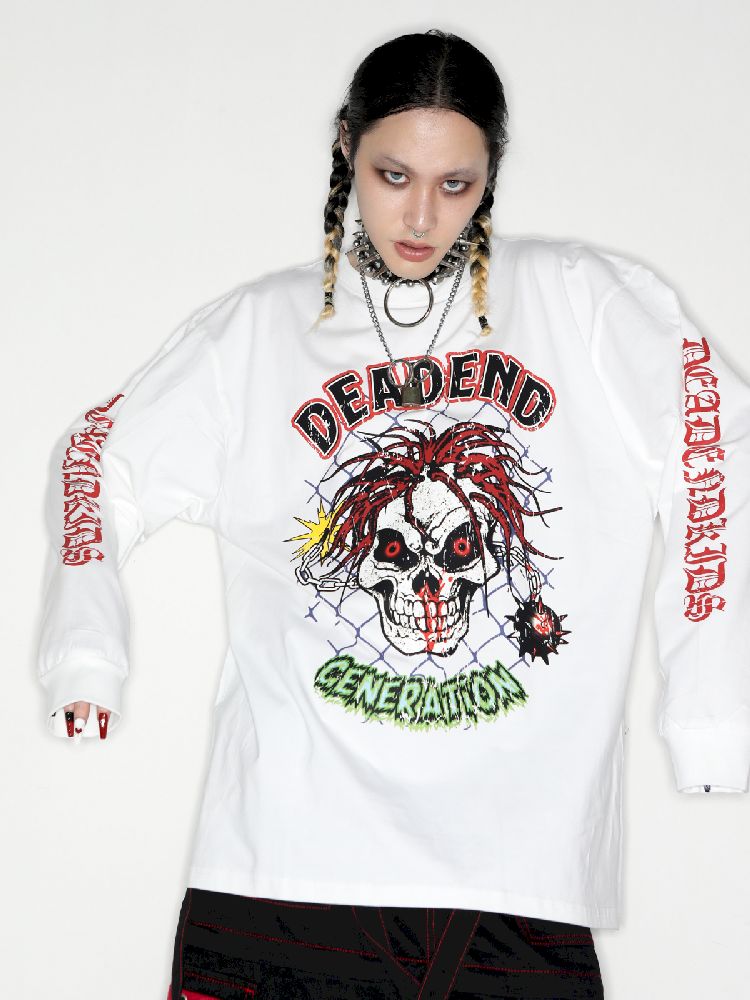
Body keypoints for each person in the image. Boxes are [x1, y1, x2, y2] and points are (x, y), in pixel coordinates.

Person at [35, 27, 750, 1000]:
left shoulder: (584, 305)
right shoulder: (260, 330)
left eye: (457, 184)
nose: (420, 215)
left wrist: (711, 712)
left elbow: (717, 451)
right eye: (393, 174)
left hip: (515, 892)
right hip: (283, 878)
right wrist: (85, 650)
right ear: (347, 147)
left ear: (492, 173)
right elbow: (96, 458)